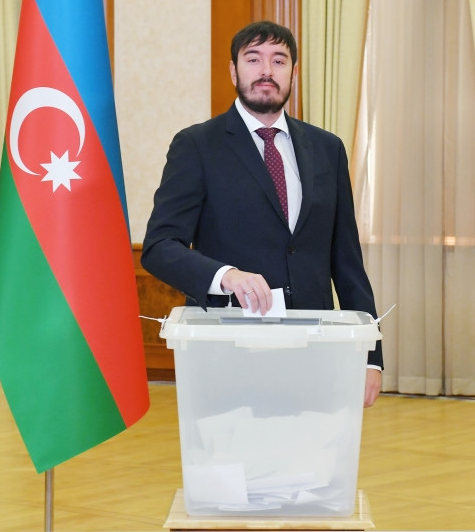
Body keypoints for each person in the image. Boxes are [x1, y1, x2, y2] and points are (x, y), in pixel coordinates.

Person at [142, 21, 383, 407]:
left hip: (315, 353)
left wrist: (370, 357)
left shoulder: (328, 149)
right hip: (229, 354)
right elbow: (159, 246)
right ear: (233, 70)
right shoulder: (197, 145)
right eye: (253, 59)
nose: (266, 70)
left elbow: (348, 262)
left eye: (279, 60)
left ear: (294, 73)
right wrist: (226, 276)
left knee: (313, 449)